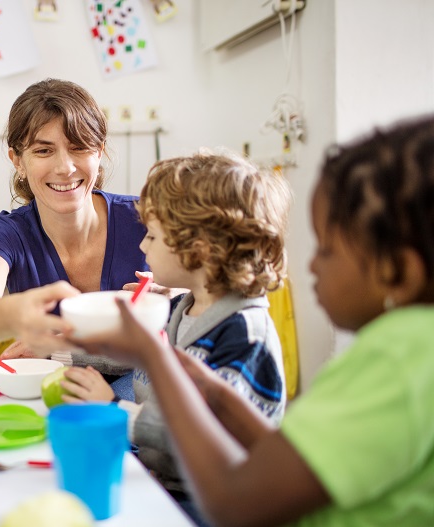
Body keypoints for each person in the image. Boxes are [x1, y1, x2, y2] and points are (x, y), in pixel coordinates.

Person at [70, 115, 434, 526]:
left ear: (399, 270)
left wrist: (147, 370)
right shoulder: (410, 347)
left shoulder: (396, 360)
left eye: (328, 250)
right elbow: (280, 448)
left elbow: (235, 503)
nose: (310, 265)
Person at [59, 151, 290, 525]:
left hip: (211, 507)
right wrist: (60, 353)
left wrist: (113, 410)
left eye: (152, 235)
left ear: (198, 249)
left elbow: (203, 430)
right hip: (165, 483)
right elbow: (133, 353)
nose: (143, 246)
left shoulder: (244, 336)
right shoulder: (184, 306)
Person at [0, 78, 147, 389]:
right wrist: (15, 313)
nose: (65, 167)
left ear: (100, 152)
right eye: (44, 151)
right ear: (18, 161)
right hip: (56, 394)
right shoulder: (7, 235)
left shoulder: (146, 219)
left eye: (78, 147)